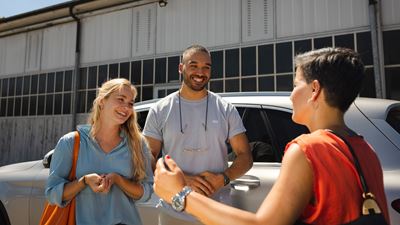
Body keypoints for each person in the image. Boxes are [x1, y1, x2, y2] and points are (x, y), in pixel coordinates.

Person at [153, 47, 391, 225]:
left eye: (296, 85)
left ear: (314, 90)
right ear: (182, 68)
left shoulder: (306, 149)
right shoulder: (367, 150)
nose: (290, 95)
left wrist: (180, 194)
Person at [143, 44, 253, 224]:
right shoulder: (160, 110)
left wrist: (223, 179)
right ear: (181, 68)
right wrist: (181, 179)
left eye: (206, 67)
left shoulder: (225, 109)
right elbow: (149, 158)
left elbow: (245, 156)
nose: (200, 72)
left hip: (217, 211)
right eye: (193, 65)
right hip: (174, 209)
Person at [45, 78, 153, 225]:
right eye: (121, 99)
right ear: (102, 101)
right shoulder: (71, 142)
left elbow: (146, 192)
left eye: (130, 103)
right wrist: (84, 181)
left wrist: (118, 180)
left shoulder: (137, 143)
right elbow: (52, 194)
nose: (126, 107)